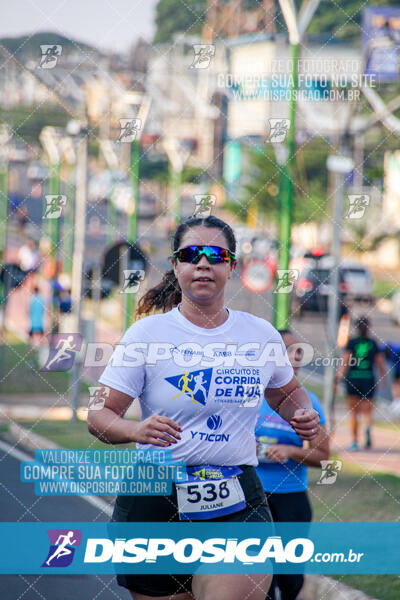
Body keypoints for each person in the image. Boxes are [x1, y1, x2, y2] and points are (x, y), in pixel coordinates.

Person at [88, 216, 320, 600]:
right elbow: (98, 415)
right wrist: (134, 431)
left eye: (215, 255)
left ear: (231, 266)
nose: (203, 264)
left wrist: (302, 413)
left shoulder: (259, 334)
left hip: (236, 498)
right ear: (176, 265)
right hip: (155, 496)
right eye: (191, 254)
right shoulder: (146, 335)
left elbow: (287, 392)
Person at [255, 330, 329, 600]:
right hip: (251, 498)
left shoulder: (310, 402)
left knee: (289, 575)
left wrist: (290, 450)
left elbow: (323, 456)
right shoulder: (249, 398)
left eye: (299, 350)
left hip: (291, 500)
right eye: (288, 350)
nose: (295, 356)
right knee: (258, 575)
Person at [335, 316, 387, 451]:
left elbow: (345, 362)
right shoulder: (373, 343)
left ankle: (354, 441)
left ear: (356, 328)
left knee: (353, 413)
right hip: (368, 378)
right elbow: (380, 363)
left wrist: (339, 377)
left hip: (353, 378)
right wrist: (383, 378)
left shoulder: (352, 343)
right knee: (368, 411)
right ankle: (368, 428)